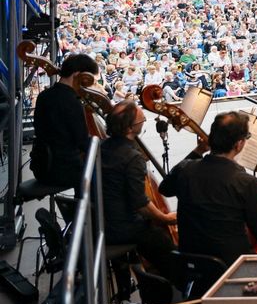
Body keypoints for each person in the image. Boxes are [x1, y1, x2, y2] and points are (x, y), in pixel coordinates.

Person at [160, 112, 257, 267]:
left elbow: (165, 189)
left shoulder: (184, 169)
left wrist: (198, 151)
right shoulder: (246, 183)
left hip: (190, 263)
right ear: (239, 144)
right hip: (231, 268)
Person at [100, 100, 177, 279]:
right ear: (129, 129)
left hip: (103, 221)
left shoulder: (101, 146)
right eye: (140, 119)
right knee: (166, 248)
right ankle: (173, 288)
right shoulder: (132, 157)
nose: (143, 120)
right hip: (122, 228)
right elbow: (139, 203)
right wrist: (164, 218)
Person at [31, 52, 101, 196]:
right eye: (87, 80)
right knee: (103, 171)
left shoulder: (44, 96)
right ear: (77, 75)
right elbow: (82, 142)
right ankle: (85, 215)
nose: (87, 85)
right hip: (62, 170)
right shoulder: (72, 101)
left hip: (42, 167)